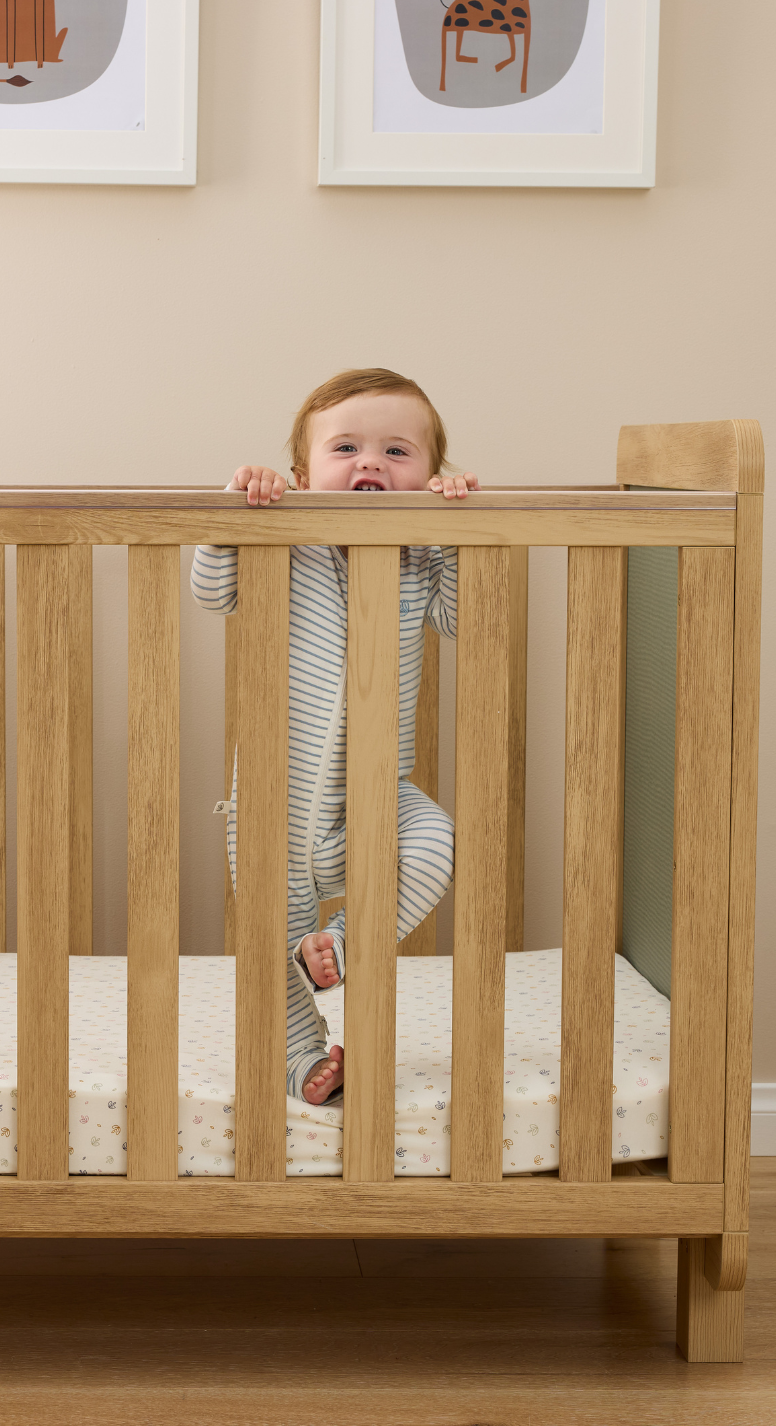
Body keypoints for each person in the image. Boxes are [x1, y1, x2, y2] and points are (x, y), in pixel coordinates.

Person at [192, 368, 480, 1105]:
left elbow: (462, 618)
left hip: (376, 794)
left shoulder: (418, 550)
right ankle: (302, 1061)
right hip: (271, 802)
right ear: (299, 474)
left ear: (428, 477)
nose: (370, 464)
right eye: (345, 447)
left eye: (397, 452)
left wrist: (453, 532)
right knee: (271, 948)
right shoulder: (287, 538)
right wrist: (237, 510)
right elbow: (211, 590)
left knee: (436, 844)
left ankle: (341, 947)